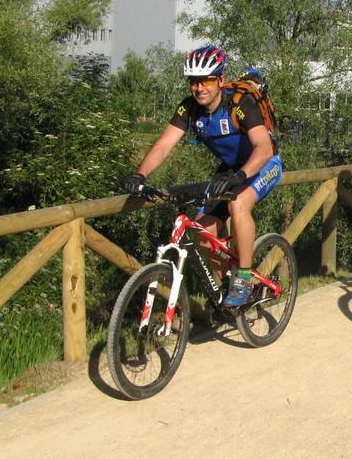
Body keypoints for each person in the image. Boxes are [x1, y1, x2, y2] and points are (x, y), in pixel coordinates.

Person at [121, 46, 284, 310]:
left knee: (238, 203)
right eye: (194, 82)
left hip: (265, 164)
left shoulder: (240, 104)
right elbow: (164, 145)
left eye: (206, 81)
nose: (199, 88)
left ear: (220, 80)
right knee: (203, 229)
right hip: (231, 169)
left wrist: (241, 175)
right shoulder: (189, 109)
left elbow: (263, 148)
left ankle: (243, 278)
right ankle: (227, 283)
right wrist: (140, 174)